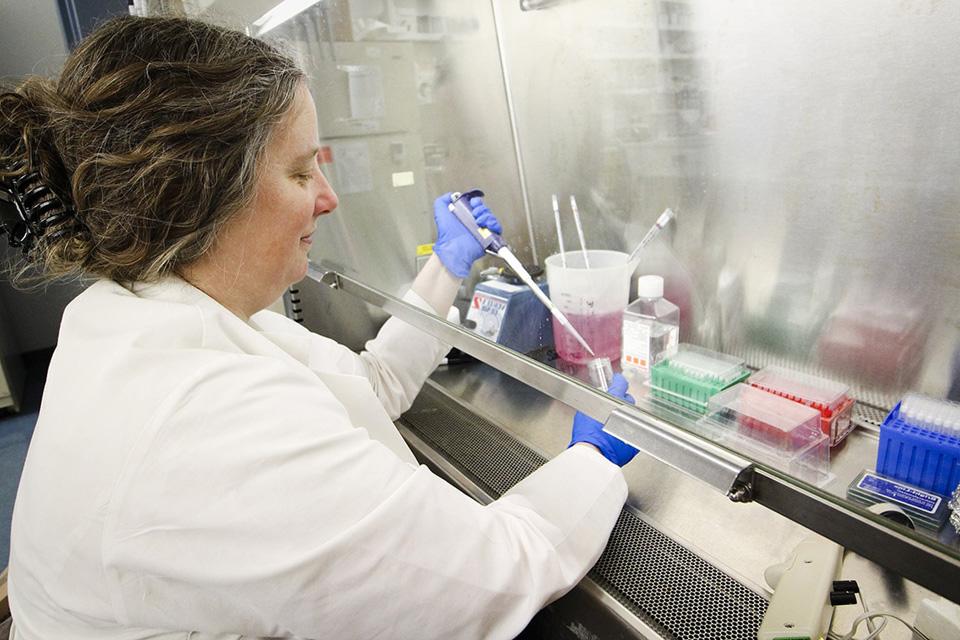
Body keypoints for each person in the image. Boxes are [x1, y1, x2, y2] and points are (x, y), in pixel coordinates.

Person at [0, 15, 638, 640]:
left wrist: (445, 269)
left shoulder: (146, 313)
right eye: (301, 172)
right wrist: (592, 459)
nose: (328, 198)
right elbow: (490, 580)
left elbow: (368, 384)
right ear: (204, 195)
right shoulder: (211, 419)